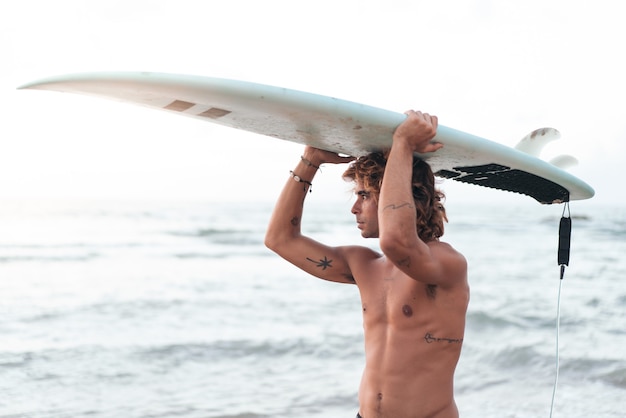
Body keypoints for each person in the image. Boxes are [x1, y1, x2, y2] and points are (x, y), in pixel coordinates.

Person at [264, 110, 469, 418]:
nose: (354, 208)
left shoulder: (446, 264)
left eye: (364, 195)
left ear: (404, 196)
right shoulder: (364, 264)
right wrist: (311, 159)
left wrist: (402, 144)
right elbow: (280, 239)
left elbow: (397, 241)